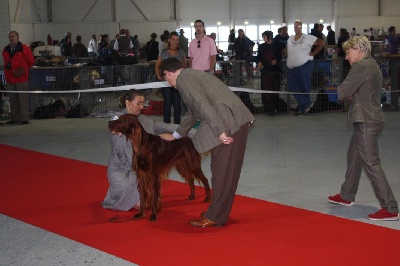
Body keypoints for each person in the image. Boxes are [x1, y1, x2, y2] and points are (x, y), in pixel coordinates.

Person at [159, 57, 255, 227]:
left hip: (228, 124)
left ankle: (215, 216)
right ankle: (217, 213)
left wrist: (220, 131)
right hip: (236, 119)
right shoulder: (193, 75)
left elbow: (204, 106)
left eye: (165, 78)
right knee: (227, 173)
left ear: (168, 73)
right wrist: (176, 135)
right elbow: (194, 112)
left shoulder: (184, 81)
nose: (167, 82)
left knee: (221, 173)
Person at [328, 36, 399, 221]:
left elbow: (342, 93)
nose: (346, 57)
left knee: (371, 163)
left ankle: (390, 208)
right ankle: (346, 195)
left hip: (367, 120)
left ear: (359, 49)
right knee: (354, 156)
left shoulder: (361, 67)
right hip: (369, 118)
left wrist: (348, 93)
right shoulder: (372, 64)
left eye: (348, 52)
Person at [102, 89, 196, 211]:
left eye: (143, 104)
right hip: (121, 170)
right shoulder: (118, 120)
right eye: (138, 103)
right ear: (128, 103)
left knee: (147, 197)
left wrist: (195, 133)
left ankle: (145, 193)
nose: (141, 107)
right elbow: (114, 124)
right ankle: (123, 193)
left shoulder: (144, 120)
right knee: (139, 204)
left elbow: (169, 127)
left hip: (140, 169)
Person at [283, 20, 325, 116]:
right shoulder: (290, 38)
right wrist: (283, 52)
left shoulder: (308, 37)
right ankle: (306, 104)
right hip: (292, 67)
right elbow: (287, 48)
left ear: (301, 27)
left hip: (304, 65)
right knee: (291, 86)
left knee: (304, 87)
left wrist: (313, 53)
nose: (296, 28)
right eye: (294, 26)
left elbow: (321, 43)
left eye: (298, 26)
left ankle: (303, 107)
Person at [2, 31, 35, 125]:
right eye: (10, 36)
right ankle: (15, 118)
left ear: (18, 37)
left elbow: (31, 61)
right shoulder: (6, 49)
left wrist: (23, 70)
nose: (11, 38)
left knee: (22, 99)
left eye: (13, 36)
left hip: (21, 78)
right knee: (13, 99)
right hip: (10, 78)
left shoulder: (24, 48)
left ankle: (24, 118)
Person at [155, 31, 187, 124]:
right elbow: (157, 65)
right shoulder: (163, 52)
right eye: (173, 39)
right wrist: (158, 76)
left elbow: (185, 66)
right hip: (166, 82)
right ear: (169, 40)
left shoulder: (181, 52)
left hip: (178, 82)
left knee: (177, 104)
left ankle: (177, 126)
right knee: (167, 103)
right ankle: (166, 125)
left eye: (177, 40)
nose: (175, 42)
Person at [256, 30, 282, 115]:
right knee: (265, 89)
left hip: (275, 71)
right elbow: (259, 58)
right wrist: (258, 66)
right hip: (265, 71)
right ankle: (268, 107)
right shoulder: (261, 46)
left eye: (264, 36)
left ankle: (274, 107)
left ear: (269, 36)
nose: (263, 38)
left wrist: (276, 60)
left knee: (275, 88)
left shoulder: (277, 45)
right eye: (263, 37)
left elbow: (280, 55)